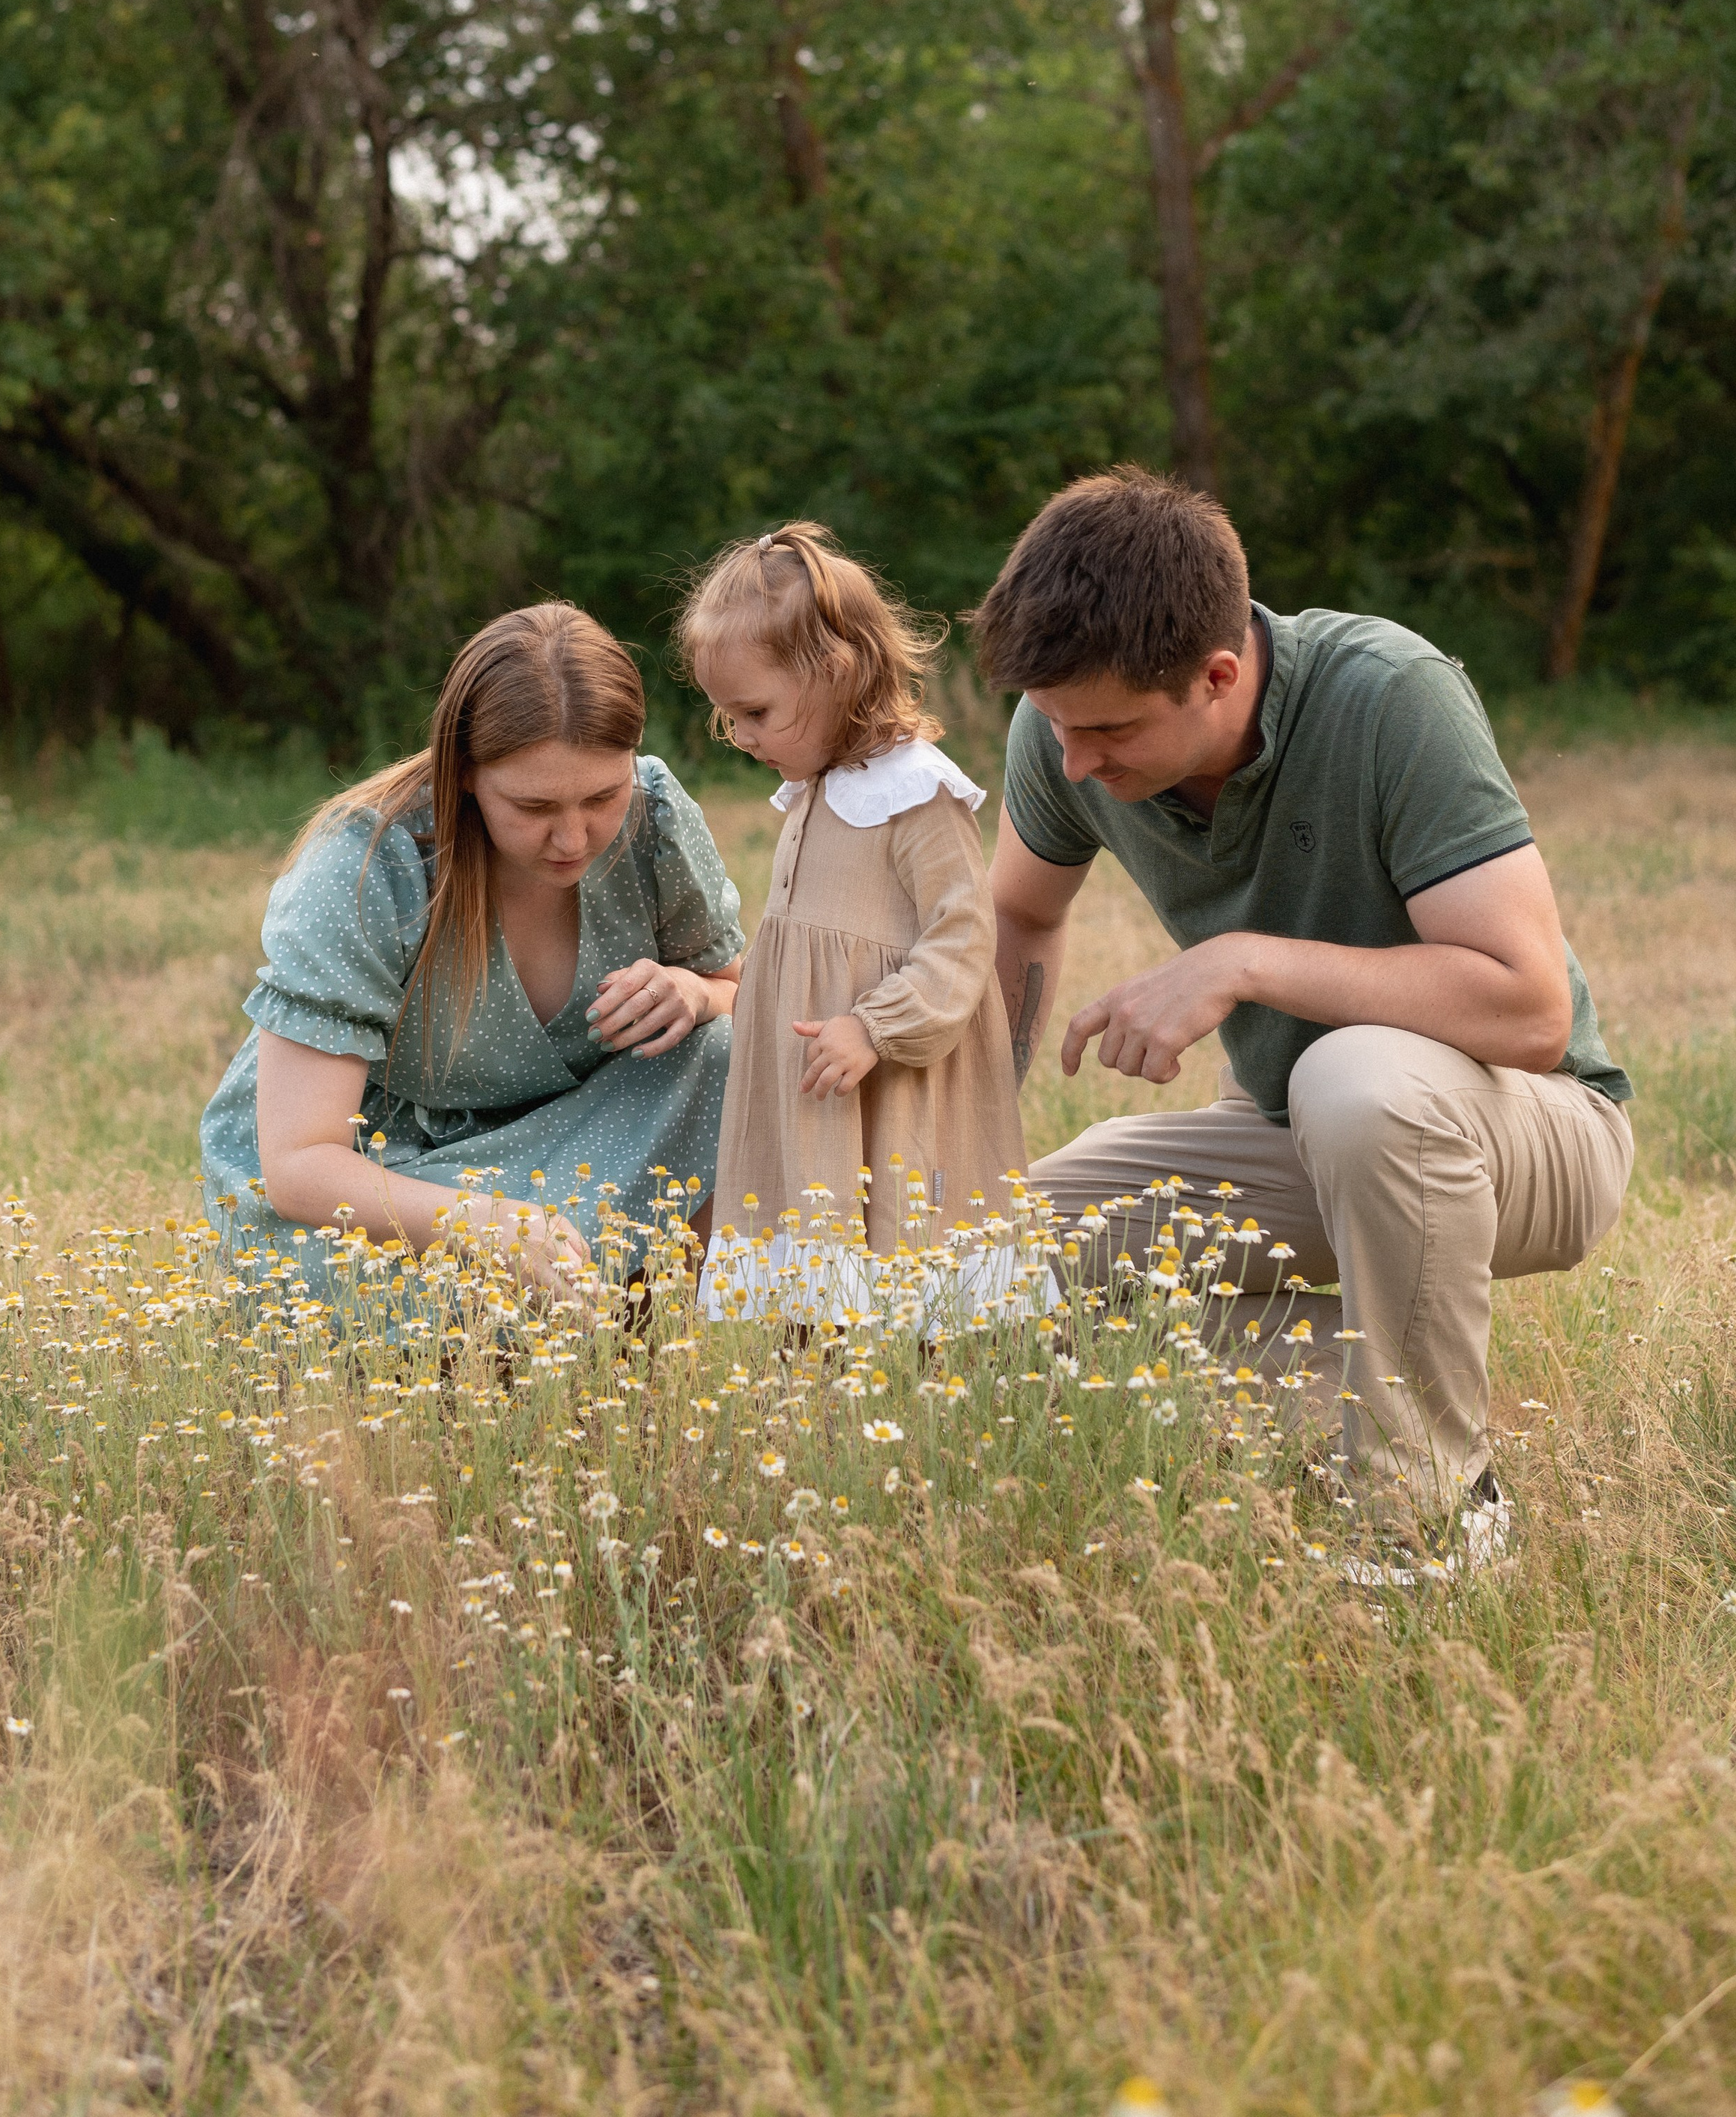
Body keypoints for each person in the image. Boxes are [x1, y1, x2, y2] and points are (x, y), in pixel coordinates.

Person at [977, 466, 1633, 1539]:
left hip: (1527, 1126)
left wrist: (1244, 961)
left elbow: (1529, 1007)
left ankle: (1433, 1511)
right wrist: (973, 1129)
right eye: (1053, 725)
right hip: (1289, 1133)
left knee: (1355, 1080)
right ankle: (1380, 1400)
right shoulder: (1065, 731)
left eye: (1109, 731)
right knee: (986, 1265)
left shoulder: (1388, 694)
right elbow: (1021, 914)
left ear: (1218, 673)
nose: (1074, 761)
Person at [200, 603, 744, 1297]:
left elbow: (743, 996)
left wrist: (696, 994)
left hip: (569, 1153)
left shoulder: (656, 816)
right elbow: (300, 1165)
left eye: (602, 796)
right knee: (403, 1301)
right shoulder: (369, 864)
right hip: (388, 1184)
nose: (574, 839)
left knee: (728, 1052)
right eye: (535, 808)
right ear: (464, 773)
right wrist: (486, 1224)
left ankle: (645, 1332)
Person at [679, 522, 1025, 1316]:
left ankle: (911, 1378)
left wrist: (877, 1025)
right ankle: (813, 1377)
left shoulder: (914, 792)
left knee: (897, 1242)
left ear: (836, 673)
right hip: (813, 1081)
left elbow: (964, 933)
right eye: (728, 716)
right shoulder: (813, 789)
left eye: (756, 711)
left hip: (887, 1070)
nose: (740, 736)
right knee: (810, 1242)